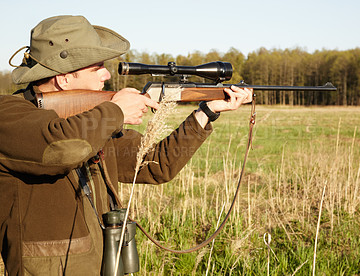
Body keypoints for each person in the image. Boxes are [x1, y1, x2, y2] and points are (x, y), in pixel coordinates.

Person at [0, 15, 252, 275]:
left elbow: (156, 165)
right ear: (64, 78)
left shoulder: (93, 121)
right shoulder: (9, 114)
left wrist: (205, 112)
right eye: (96, 67)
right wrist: (116, 111)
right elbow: (60, 149)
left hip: (105, 264)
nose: (106, 74)